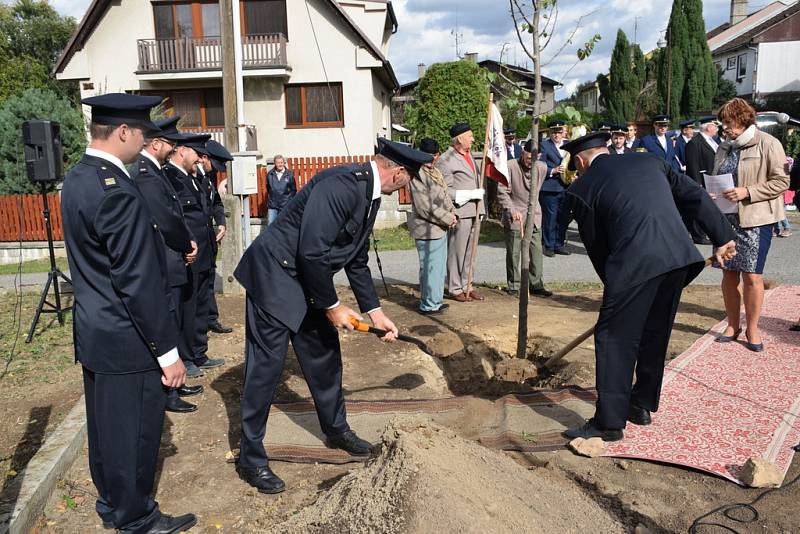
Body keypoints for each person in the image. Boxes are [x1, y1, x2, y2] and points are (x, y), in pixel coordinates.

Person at [233, 138, 431, 494]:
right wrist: (332, 306)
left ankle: (336, 430)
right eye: (409, 180)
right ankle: (251, 457)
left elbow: (354, 258)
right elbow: (311, 251)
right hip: (275, 276)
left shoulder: (369, 195)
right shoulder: (341, 186)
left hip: (307, 279)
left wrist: (376, 311)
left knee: (324, 356)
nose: (407, 187)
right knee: (267, 367)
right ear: (399, 172)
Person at [61, 93, 196, 533]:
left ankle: (111, 502)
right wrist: (167, 353)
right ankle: (136, 518)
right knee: (134, 433)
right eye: (141, 134)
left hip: (97, 332)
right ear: (123, 132)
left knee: (106, 431)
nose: (144, 143)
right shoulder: (117, 191)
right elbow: (137, 282)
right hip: (129, 338)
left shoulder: (79, 177)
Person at [559, 131, 736, 441]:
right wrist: (723, 236)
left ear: (579, 161)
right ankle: (639, 405)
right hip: (678, 258)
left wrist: (615, 295)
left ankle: (608, 424)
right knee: (654, 331)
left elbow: (599, 249)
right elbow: (694, 195)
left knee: (614, 336)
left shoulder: (582, 188)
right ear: (606, 150)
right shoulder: (650, 161)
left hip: (636, 264)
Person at [131, 116, 203, 414]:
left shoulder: (155, 170)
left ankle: (177, 383)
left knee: (174, 323)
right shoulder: (146, 174)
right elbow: (166, 218)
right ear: (156, 143)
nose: (173, 150)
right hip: (166, 260)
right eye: (170, 145)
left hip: (173, 259)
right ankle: (169, 393)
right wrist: (187, 244)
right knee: (168, 324)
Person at [712, 97, 790, 352]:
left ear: (744, 120)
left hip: (756, 220)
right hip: (727, 219)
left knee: (752, 276)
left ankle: (752, 328)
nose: (725, 128)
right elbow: (719, 177)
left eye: (729, 123)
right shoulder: (724, 146)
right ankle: (733, 325)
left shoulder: (768, 143)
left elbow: (781, 182)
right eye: (723, 123)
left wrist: (748, 192)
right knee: (729, 273)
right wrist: (713, 192)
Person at [164, 135, 225, 378]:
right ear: (182, 151)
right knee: (186, 310)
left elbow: (208, 209)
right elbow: (174, 219)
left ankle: (198, 352)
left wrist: (220, 223)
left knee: (200, 307)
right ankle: (186, 356)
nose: (200, 159)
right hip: (187, 254)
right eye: (197, 153)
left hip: (205, 251)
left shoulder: (196, 177)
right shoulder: (170, 177)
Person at [407, 138, 457, 315]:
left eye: (434, 156)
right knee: (429, 268)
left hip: (439, 227)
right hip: (426, 228)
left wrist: (452, 213)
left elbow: (444, 194)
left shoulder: (435, 171)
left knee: (438, 269)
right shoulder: (416, 174)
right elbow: (424, 207)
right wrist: (448, 218)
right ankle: (428, 304)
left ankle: (435, 301)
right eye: (427, 157)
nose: (431, 160)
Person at [497, 140, 552, 297]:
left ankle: (536, 284)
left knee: (536, 251)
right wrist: (512, 209)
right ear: (523, 152)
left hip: (535, 215)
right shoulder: (510, 166)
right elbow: (502, 192)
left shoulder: (542, 168)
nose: (531, 163)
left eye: (534, 160)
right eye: (529, 159)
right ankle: (514, 285)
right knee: (514, 252)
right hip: (515, 215)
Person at [437, 122, 485, 302]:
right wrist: (469, 194)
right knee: (457, 252)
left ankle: (467, 285)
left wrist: (481, 207)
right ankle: (455, 287)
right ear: (460, 138)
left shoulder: (469, 155)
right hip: (460, 212)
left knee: (470, 253)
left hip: (475, 211)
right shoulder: (446, 159)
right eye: (470, 136)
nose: (473, 139)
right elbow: (444, 190)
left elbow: (476, 181)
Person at [194, 139, 234, 335]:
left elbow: (216, 203)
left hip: (209, 237)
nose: (215, 171)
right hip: (196, 238)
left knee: (209, 279)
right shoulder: (193, 177)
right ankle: (200, 322)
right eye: (214, 165)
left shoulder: (209, 177)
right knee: (198, 283)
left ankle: (211, 318)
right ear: (204, 158)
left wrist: (222, 222)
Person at [684, 117, 720, 245]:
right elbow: (692, 165)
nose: (717, 128)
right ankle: (698, 235)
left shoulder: (712, 141)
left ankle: (705, 231)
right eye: (715, 125)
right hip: (702, 180)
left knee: (708, 207)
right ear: (709, 127)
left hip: (712, 179)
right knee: (699, 208)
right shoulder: (694, 143)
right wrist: (697, 183)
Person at [538, 120, 571, 257]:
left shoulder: (569, 145)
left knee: (563, 217)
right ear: (550, 133)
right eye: (553, 132)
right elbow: (539, 165)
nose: (556, 135)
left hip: (566, 187)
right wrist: (553, 170)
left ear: (563, 132)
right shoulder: (544, 146)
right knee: (550, 218)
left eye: (559, 132)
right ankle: (549, 245)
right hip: (550, 187)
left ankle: (559, 244)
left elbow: (574, 162)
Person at [266, 154, 297, 225]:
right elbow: (268, 188)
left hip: (285, 205)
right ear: (275, 163)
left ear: (284, 163)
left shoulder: (289, 174)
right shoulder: (270, 174)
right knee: (271, 224)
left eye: (281, 162)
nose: (280, 164)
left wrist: (289, 201)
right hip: (273, 205)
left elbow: (294, 190)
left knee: (284, 224)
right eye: (278, 163)